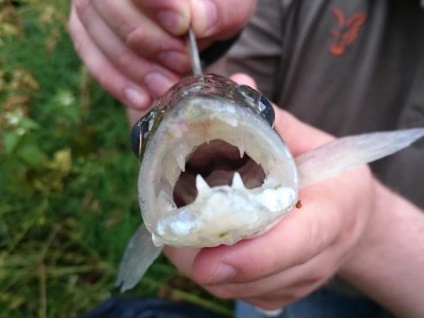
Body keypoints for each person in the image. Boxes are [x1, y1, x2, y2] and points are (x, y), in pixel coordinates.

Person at [68, 1, 424, 317]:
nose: (195, 116)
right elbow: (200, 78)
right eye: (141, 140)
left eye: (261, 110)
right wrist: (162, 50)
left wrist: (368, 227)